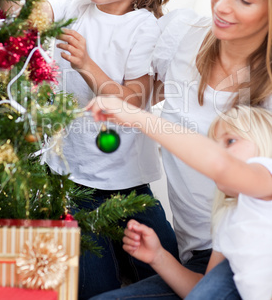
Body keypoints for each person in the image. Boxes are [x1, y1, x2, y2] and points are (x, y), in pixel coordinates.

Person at [87, 0, 272, 299]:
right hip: (204, 257)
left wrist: (135, 116)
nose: (221, 5)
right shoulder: (181, 35)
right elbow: (132, 91)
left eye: (244, 0)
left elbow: (227, 170)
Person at [40, 0, 181, 299]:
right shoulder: (74, 5)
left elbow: (133, 99)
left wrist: (86, 64)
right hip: (73, 184)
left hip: (129, 184)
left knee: (171, 272)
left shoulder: (143, 26)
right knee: (94, 289)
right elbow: (31, 16)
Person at [88, 99, 272, 300]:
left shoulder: (267, 178)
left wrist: (136, 117)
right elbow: (203, 290)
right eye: (214, 145)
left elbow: (221, 164)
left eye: (230, 141)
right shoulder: (228, 216)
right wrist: (159, 256)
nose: (219, 151)